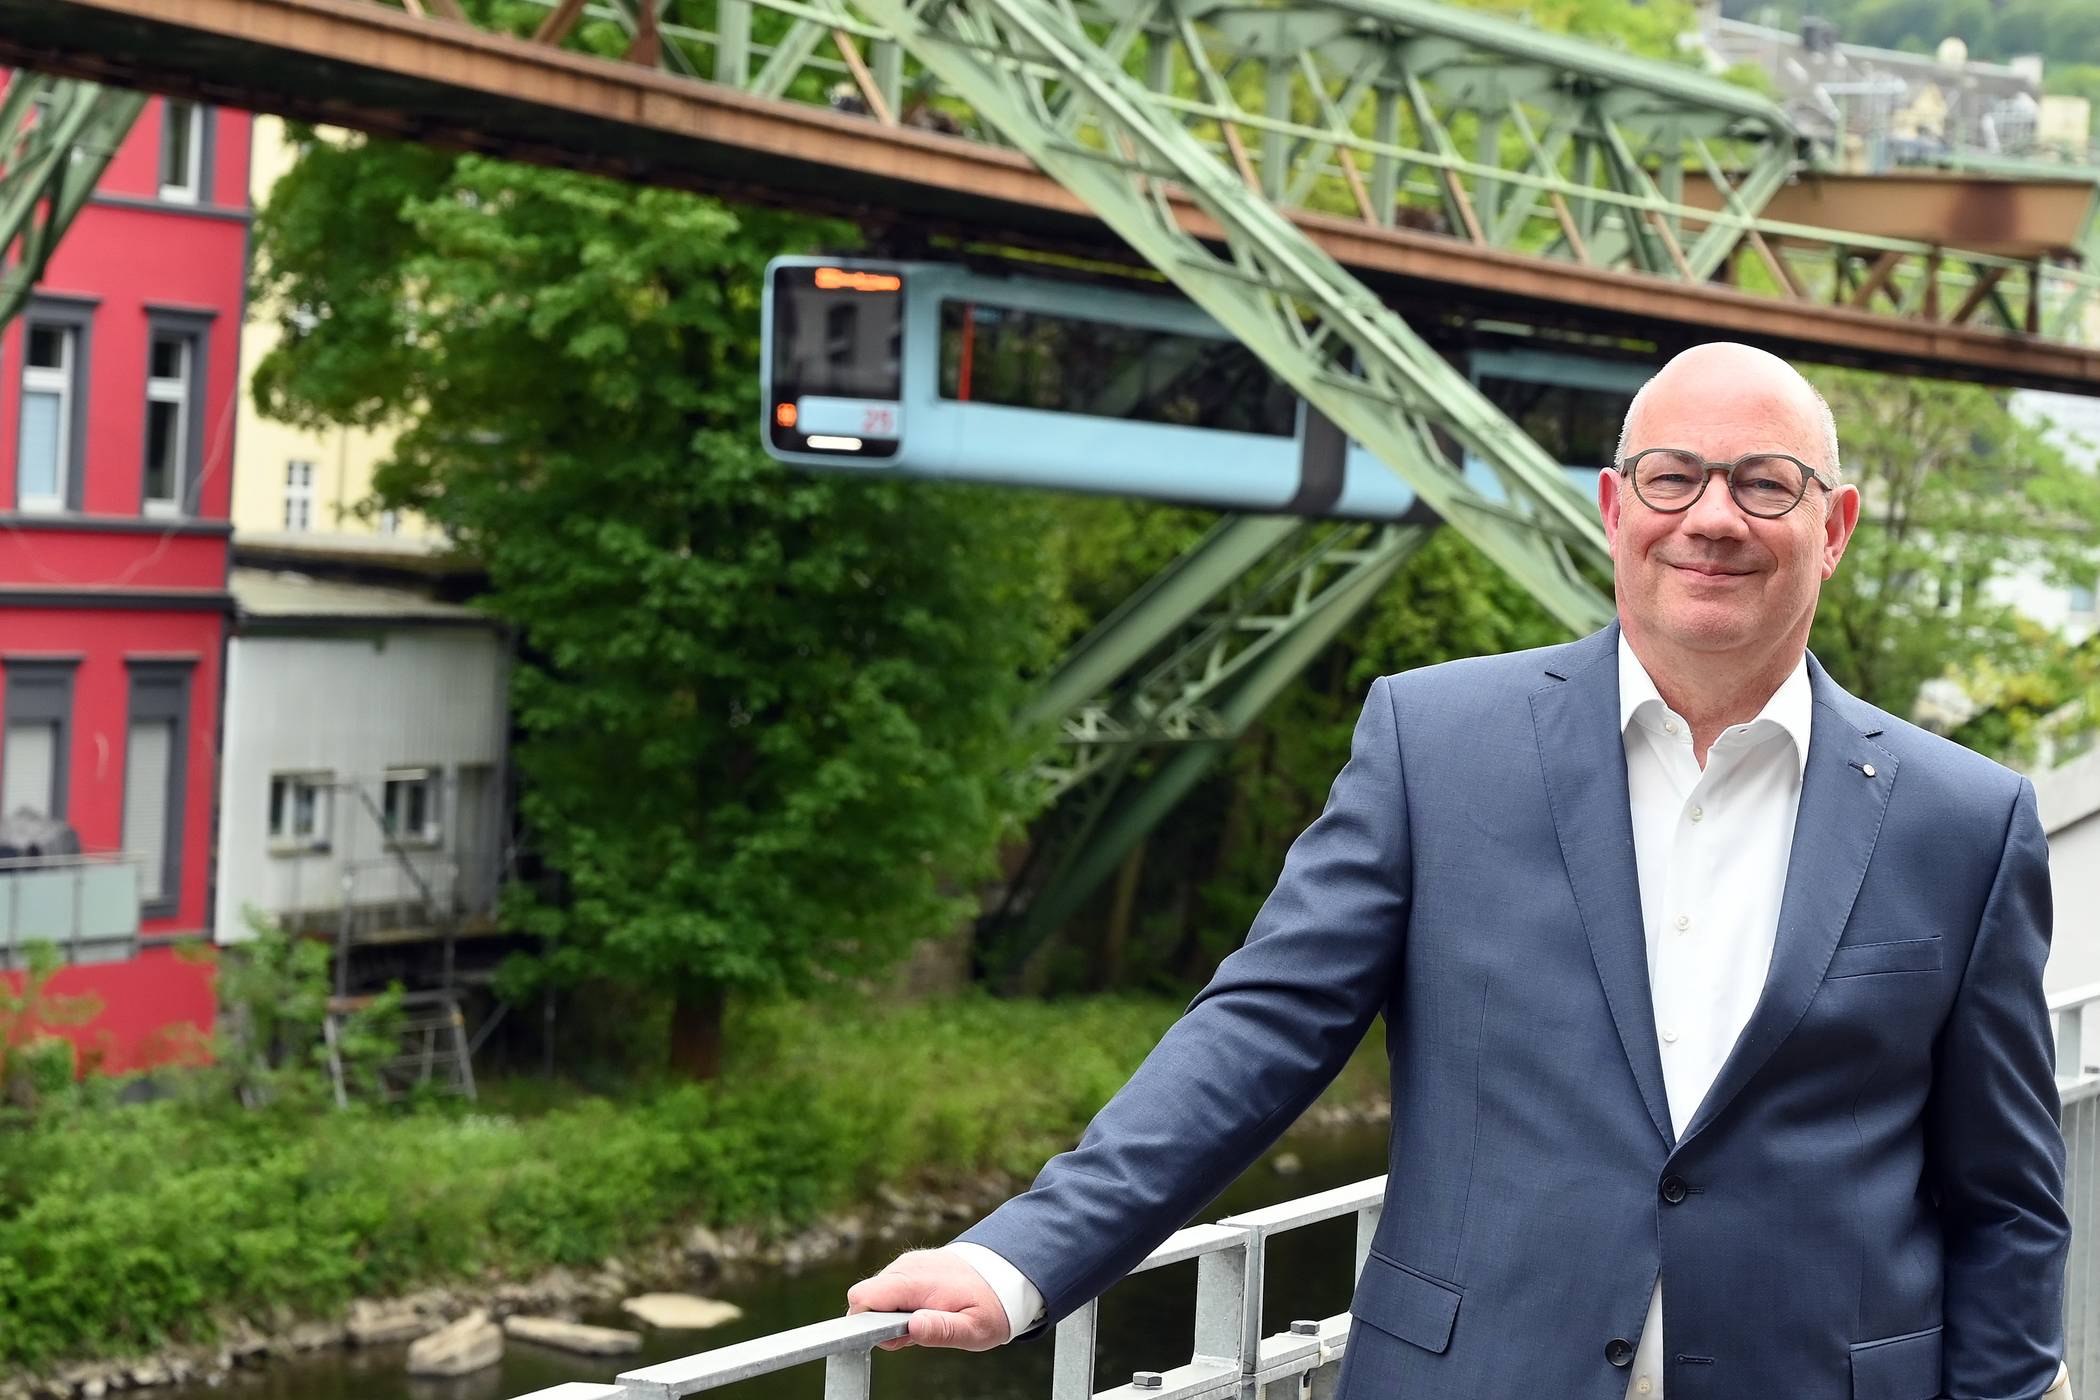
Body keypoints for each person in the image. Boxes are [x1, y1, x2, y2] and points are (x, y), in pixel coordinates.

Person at [845, 343, 2074, 1399]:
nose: (1712, 516)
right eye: (1673, 475)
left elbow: (2009, 1200)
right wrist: (1023, 1256)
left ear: (1835, 524)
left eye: (1765, 484)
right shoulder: (1435, 745)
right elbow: (1261, 1028)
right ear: (1612, 505)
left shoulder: (1963, 818)